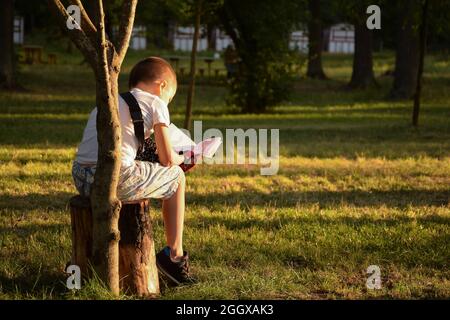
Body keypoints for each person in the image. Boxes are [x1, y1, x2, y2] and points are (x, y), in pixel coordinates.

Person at [71, 57, 195, 285]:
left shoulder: (111, 100)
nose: (167, 102)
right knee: (177, 177)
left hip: (82, 176)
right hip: (114, 180)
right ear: (162, 86)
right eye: (170, 98)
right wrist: (185, 155)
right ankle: (174, 258)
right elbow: (168, 159)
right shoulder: (156, 103)